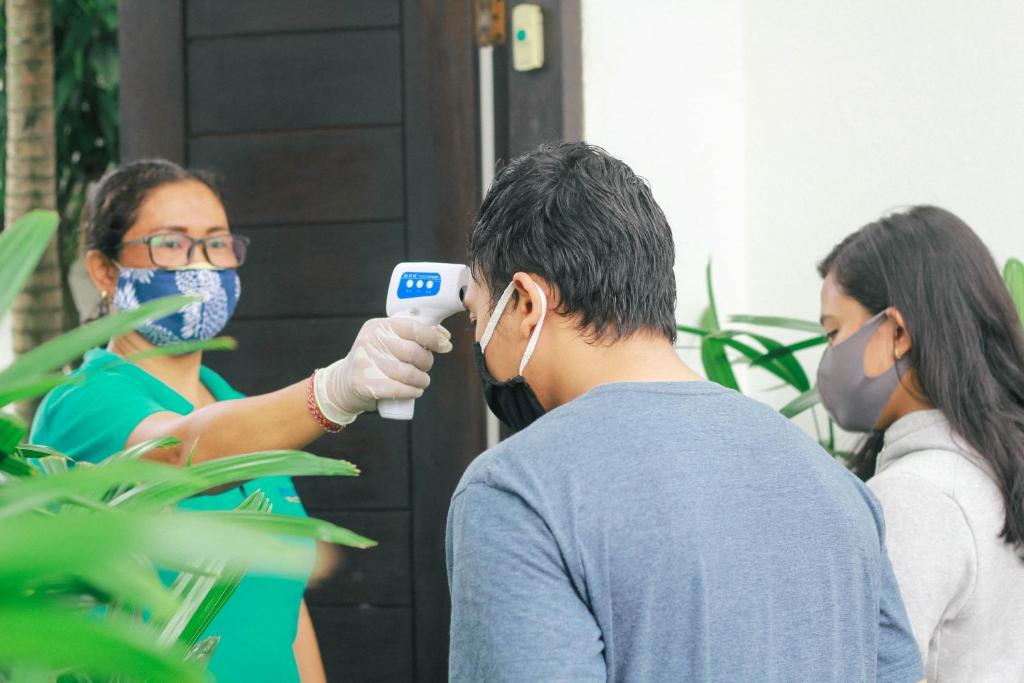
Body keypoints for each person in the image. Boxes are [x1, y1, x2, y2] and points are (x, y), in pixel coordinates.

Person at [446, 142, 924, 682]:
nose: (480, 340)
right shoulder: (837, 489)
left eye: (477, 315)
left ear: (526, 303)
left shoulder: (518, 493)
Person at [30, 159, 452, 683]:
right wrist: (334, 391)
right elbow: (176, 453)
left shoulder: (240, 408)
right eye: (171, 243)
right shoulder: (84, 401)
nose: (201, 265)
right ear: (105, 271)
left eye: (216, 243)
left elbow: (283, 607)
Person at [816, 205, 1024, 682]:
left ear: (898, 333)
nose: (828, 357)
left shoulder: (917, 496)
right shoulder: (995, 465)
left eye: (833, 332)